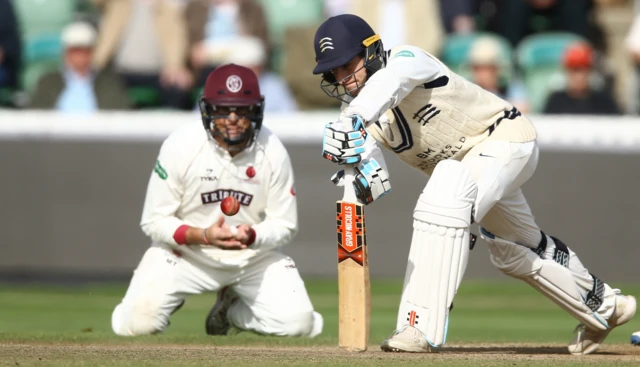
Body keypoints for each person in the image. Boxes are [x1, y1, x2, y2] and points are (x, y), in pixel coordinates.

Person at [312, 14, 635, 355]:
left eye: (348, 65)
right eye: (334, 72)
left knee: (445, 195)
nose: (344, 79)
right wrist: (358, 169)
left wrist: (352, 120)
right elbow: (371, 167)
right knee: (513, 249)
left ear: (372, 50)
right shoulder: (356, 106)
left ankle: (418, 325)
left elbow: (384, 87)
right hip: (471, 168)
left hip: (505, 139)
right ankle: (605, 306)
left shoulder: (406, 60)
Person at [111, 64, 323, 338]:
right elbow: (153, 221)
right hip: (186, 254)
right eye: (223, 109)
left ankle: (232, 312)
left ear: (256, 110)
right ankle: (148, 303)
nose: (232, 118)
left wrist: (252, 235)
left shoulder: (273, 151)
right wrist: (202, 235)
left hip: (251, 258)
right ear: (207, 110)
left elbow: (285, 225)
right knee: (138, 324)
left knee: (301, 324)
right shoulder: (180, 146)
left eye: (242, 109)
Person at [30, 22, 130, 111]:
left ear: (92, 53)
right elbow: (35, 116)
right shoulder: (48, 83)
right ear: (66, 53)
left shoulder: (109, 83)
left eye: (85, 51)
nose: (80, 57)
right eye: (75, 51)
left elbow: (120, 114)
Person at [543, 41, 621, 115]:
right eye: (575, 70)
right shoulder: (556, 102)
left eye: (584, 69)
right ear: (567, 71)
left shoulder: (604, 102)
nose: (579, 76)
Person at [467, 36, 529, 113]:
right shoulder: (466, 90)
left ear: (497, 69)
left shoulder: (509, 87)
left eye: (488, 68)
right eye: (478, 68)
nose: (483, 74)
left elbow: (523, 108)